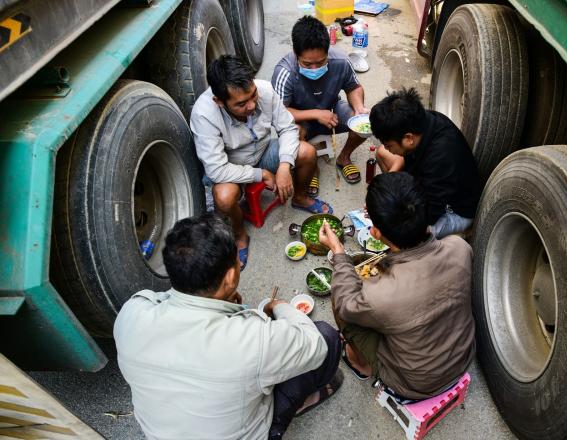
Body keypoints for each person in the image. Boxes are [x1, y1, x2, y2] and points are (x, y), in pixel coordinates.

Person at [114, 214, 343, 440]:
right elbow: (314, 345)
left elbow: (165, 300)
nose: (240, 261)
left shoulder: (131, 314)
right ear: (231, 276)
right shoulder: (251, 339)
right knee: (326, 336)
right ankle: (289, 412)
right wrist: (279, 306)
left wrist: (220, 301)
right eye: (237, 259)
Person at [318, 172, 475, 401]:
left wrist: (339, 253)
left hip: (415, 383)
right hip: (462, 357)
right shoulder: (459, 247)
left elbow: (346, 303)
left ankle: (361, 365)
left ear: (376, 232)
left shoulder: (381, 296)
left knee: (341, 300)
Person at [191, 55, 333, 270]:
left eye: (253, 96)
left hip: (264, 150)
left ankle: (301, 197)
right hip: (232, 165)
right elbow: (217, 169)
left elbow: (286, 128)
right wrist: (261, 175)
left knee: (307, 152)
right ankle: (240, 236)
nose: (251, 105)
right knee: (223, 197)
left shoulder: (264, 90)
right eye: (240, 104)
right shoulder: (204, 115)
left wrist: (284, 165)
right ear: (219, 101)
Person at [271, 15, 370, 193]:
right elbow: (279, 114)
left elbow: (354, 87)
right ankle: (311, 168)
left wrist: (359, 108)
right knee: (294, 132)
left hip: (333, 111)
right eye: (307, 64)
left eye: (321, 62)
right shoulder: (284, 72)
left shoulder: (340, 61)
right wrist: (316, 114)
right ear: (295, 52)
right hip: (300, 120)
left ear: (328, 50)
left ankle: (344, 157)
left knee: (363, 122)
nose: (315, 69)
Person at [369, 88, 482, 238]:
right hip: (431, 187)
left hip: (454, 211)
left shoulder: (440, 158)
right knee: (382, 153)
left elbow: (430, 213)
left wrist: (389, 216)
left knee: (400, 235)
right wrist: (384, 194)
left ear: (409, 138)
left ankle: (460, 234)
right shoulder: (422, 121)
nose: (389, 149)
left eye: (389, 144)